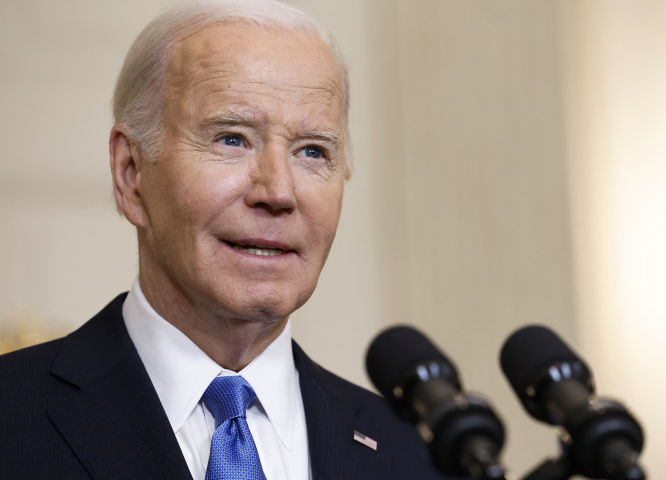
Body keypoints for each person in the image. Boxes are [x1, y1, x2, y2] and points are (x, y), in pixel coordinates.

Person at [0, 1, 457, 479]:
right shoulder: (13, 417)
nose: (278, 192)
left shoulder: (422, 457)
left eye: (312, 151)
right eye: (232, 139)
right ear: (131, 174)